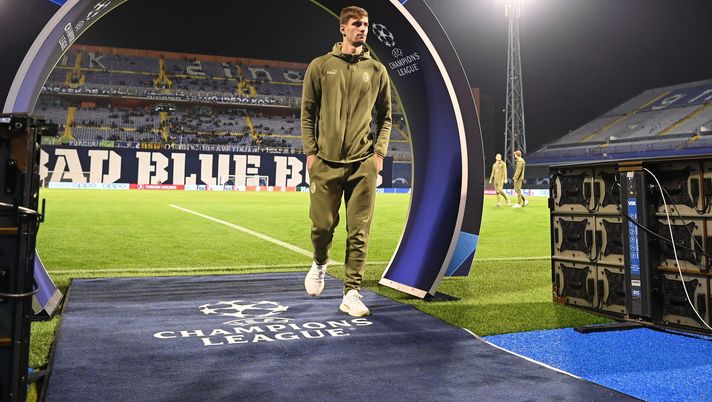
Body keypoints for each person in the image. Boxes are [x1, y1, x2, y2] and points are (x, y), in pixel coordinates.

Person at [301, 6, 392, 317]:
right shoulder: (320, 66)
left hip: (364, 163)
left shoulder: (378, 71)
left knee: (359, 231)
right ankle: (320, 263)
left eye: (365, 24)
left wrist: (378, 154)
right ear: (342, 28)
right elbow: (308, 113)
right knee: (322, 226)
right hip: (325, 162)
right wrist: (311, 153)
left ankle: (351, 292)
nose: (362, 28)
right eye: (356, 24)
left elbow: (387, 117)